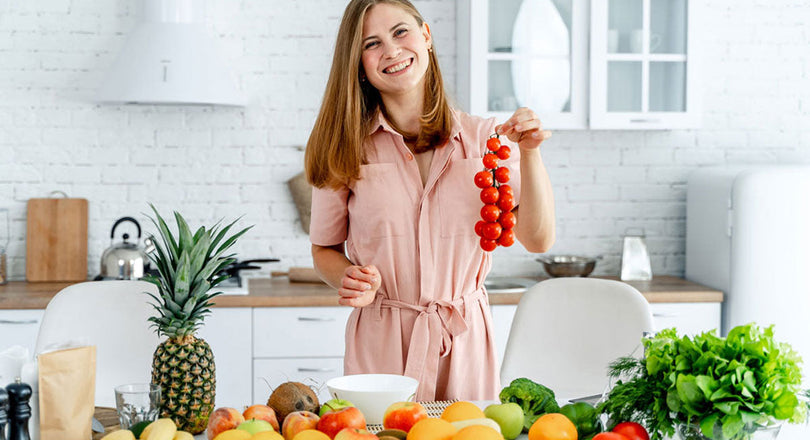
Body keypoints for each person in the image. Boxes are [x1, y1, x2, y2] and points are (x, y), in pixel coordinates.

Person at [304, 0, 555, 401]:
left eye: (400, 32)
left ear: (426, 36)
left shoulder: (485, 139)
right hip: (381, 344)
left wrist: (531, 152)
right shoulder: (344, 147)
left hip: (465, 341)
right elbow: (324, 249)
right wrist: (348, 277)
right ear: (359, 65)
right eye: (372, 43)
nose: (391, 50)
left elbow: (539, 240)